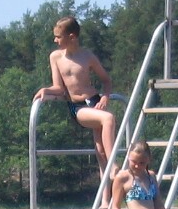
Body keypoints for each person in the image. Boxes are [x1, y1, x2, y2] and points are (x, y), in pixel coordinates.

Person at [33, 16, 118, 189]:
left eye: (58, 37)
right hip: (77, 106)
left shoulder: (87, 56)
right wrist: (46, 90)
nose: (55, 40)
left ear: (71, 37)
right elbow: (59, 87)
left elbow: (106, 80)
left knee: (100, 152)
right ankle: (114, 165)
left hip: (94, 102)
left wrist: (105, 97)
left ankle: (105, 198)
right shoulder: (56, 57)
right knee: (108, 118)